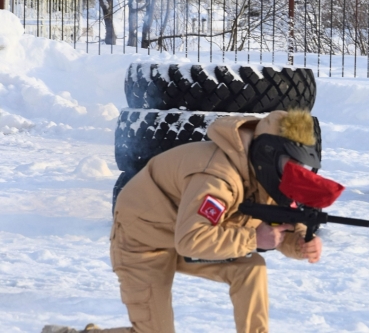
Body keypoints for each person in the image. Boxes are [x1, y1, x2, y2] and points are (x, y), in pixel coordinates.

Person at [42, 109, 335, 333]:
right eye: (290, 165)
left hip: (185, 232)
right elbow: (192, 239)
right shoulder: (216, 176)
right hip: (143, 238)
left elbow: (277, 221)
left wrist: (300, 242)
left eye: (301, 167)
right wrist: (253, 238)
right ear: (269, 154)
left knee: (250, 269)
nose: (295, 174)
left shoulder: (265, 174)